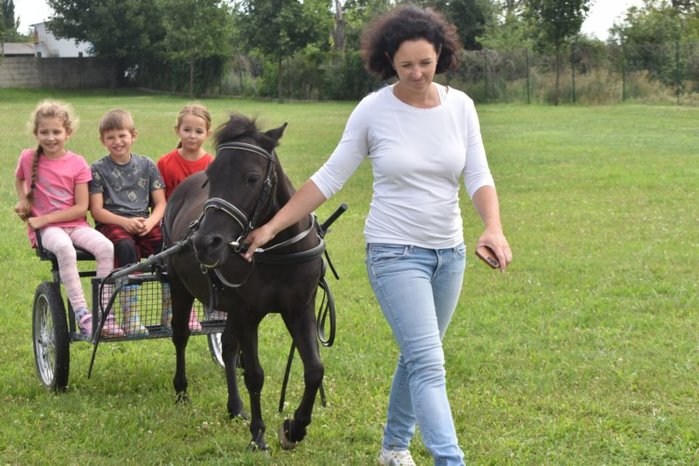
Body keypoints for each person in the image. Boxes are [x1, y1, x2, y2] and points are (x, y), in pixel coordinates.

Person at [242, 6, 512, 465]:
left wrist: (493, 227)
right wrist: (270, 227)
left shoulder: (461, 107)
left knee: (418, 355)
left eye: (425, 62)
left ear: (440, 54)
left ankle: (393, 448)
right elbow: (329, 177)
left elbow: (478, 174)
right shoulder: (374, 109)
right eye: (406, 65)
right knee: (428, 363)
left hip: (449, 254)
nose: (417, 73)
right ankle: (451, 460)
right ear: (389, 59)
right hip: (394, 253)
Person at [14, 100, 123, 338]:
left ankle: (105, 314)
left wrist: (44, 218)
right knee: (65, 249)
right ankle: (83, 315)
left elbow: (81, 207)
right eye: (44, 132)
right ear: (36, 133)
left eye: (56, 132)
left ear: (68, 133)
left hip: (74, 225)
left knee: (106, 247)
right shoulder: (28, 157)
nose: (50, 138)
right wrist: (23, 200)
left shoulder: (78, 163)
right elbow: (19, 178)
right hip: (48, 231)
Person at [89, 108, 167, 337]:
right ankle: (130, 316)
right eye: (110, 137)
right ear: (102, 140)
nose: (117, 141)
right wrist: (124, 222)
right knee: (125, 247)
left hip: (144, 222)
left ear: (133, 135)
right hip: (112, 223)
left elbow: (161, 203)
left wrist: (151, 222)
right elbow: (97, 211)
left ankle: (170, 312)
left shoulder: (147, 165)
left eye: (122, 135)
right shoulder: (98, 169)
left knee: (167, 248)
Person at [157, 103, 216, 331]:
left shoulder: (212, 164)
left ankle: (217, 301)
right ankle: (174, 308)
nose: (192, 136)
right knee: (168, 258)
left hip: (204, 224)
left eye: (199, 131)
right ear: (177, 131)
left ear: (207, 134)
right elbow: (159, 201)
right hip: (172, 225)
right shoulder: (165, 163)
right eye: (187, 130)